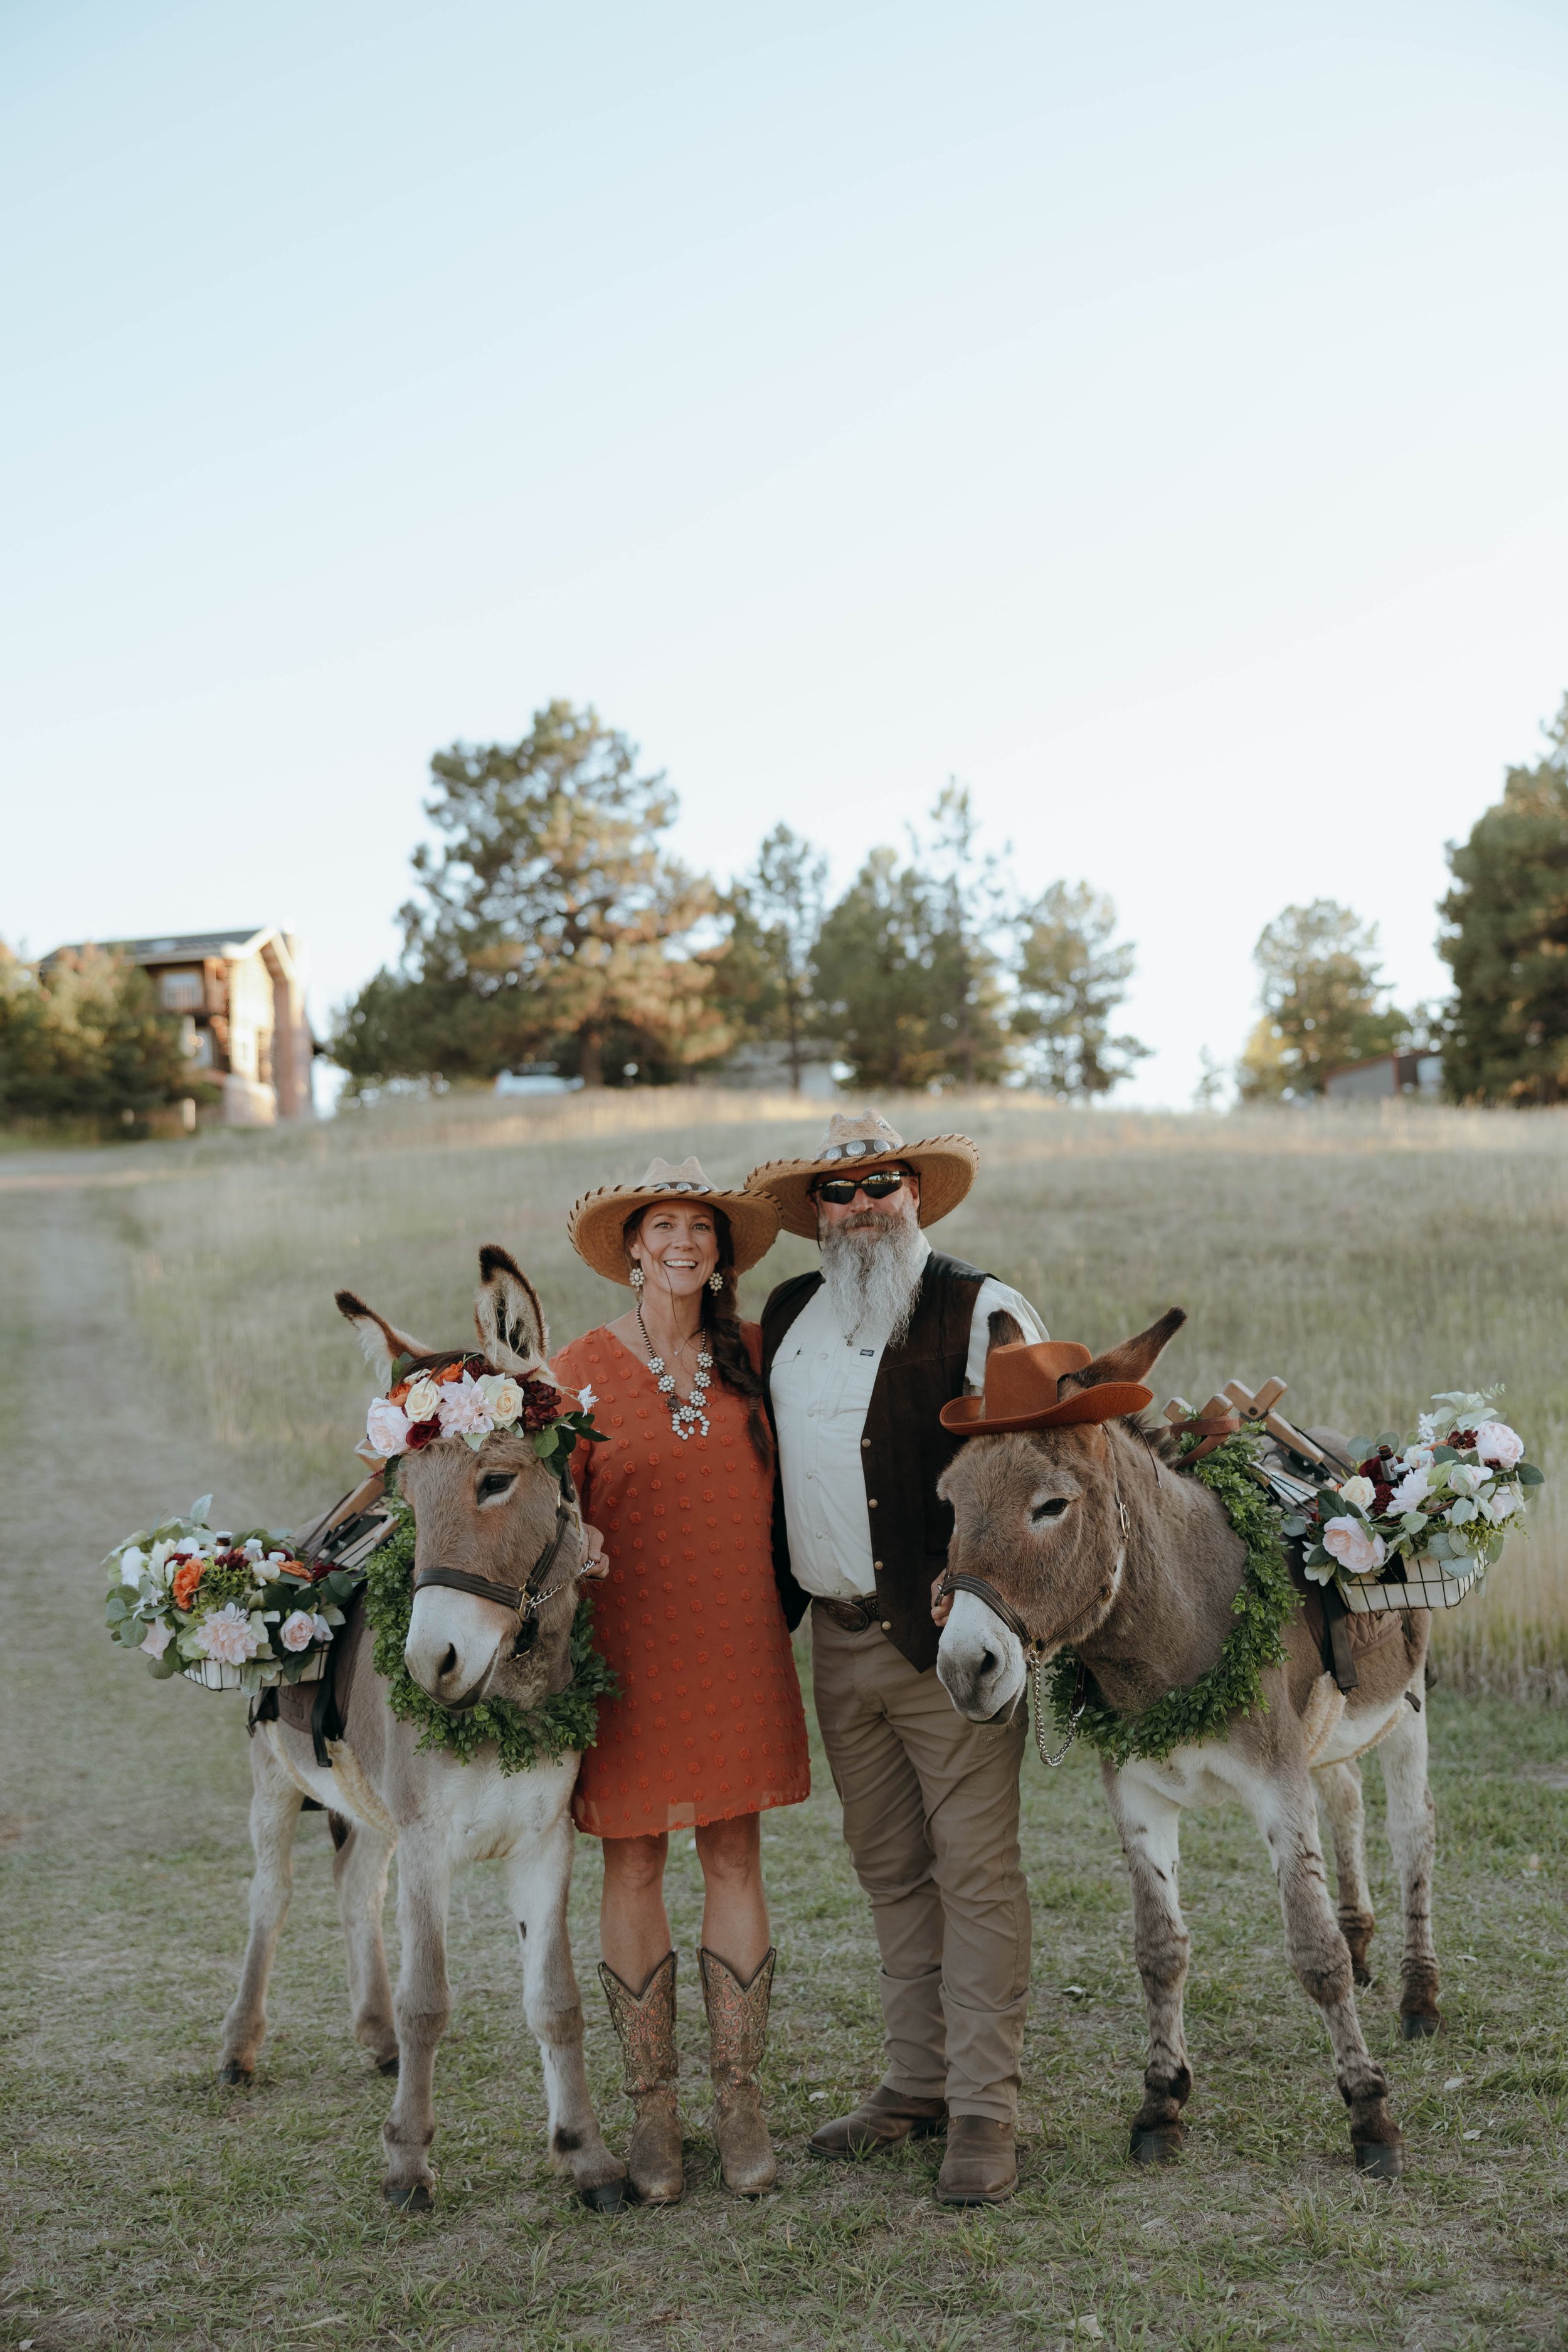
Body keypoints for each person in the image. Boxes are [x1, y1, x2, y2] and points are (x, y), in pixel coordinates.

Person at [743, 1111, 1048, 2207]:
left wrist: (997, 1609)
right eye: (837, 1189)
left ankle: (985, 2112)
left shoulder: (982, 1308)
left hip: (948, 1646)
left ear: (915, 1189)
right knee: (887, 1871)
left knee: (974, 1871)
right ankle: (916, 2084)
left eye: (881, 1182)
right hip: (835, 1636)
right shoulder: (785, 1315)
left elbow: (1038, 1471)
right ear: (814, 1213)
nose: (861, 1204)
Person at [554, 1155, 810, 2204]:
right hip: (627, 1648)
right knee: (632, 1866)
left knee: (736, 1854)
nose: (682, 1242)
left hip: (737, 1638)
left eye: (700, 1227)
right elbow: (547, 1514)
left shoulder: (755, 1357)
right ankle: (651, 2109)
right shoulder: (576, 1370)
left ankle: (739, 2100)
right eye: (662, 1224)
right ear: (631, 1246)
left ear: (722, 1250)